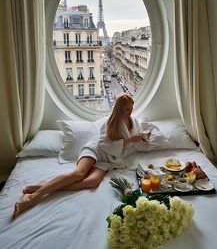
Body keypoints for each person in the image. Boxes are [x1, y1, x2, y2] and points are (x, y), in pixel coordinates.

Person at [12, 94, 145, 220]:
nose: (130, 111)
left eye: (131, 108)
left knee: (91, 182)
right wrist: (130, 140)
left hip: (108, 160)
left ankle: (44, 185)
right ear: (119, 109)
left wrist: (144, 136)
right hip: (96, 150)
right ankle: (34, 197)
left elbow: (136, 136)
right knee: (79, 174)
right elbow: (104, 144)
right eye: (127, 109)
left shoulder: (133, 121)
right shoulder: (110, 122)